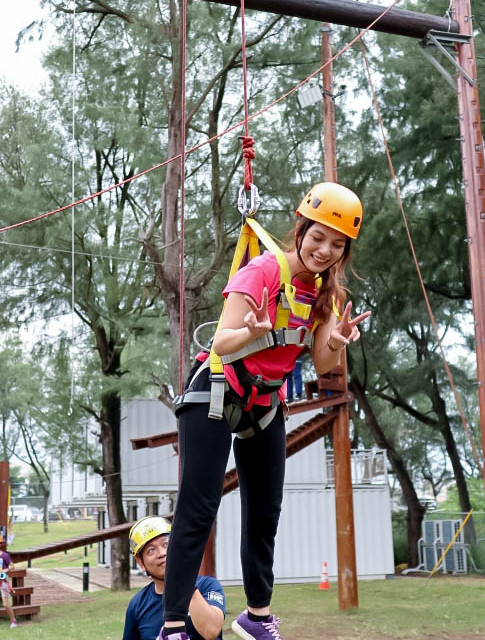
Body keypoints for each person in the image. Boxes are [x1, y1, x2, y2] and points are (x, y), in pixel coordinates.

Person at [164, 182, 369, 640]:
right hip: (218, 388)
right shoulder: (263, 270)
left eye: (337, 245)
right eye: (318, 237)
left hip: (266, 401)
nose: (324, 250)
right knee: (199, 507)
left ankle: (256, 616)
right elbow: (221, 342)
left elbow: (320, 361)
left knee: (265, 512)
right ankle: (174, 624)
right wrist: (254, 332)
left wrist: (336, 342)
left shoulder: (329, 295)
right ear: (301, 229)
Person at [124, 517, 225, 640]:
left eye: (166, 544)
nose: (161, 553)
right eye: (151, 550)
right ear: (141, 563)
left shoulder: (207, 586)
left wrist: (185, 582)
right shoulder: (137, 605)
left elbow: (211, 631)